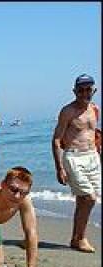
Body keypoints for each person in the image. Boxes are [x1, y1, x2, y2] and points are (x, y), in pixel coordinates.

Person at [52, 74, 101, 253]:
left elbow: (94, 135)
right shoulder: (68, 111)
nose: (84, 93)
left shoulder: (95, 109)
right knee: (89, 198)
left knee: (83, 200)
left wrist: (99, 156)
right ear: (74, 91)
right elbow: (57, 139)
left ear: (94, 90)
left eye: (88, 89)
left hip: (92, 156)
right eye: (80, 90)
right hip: (74, 156)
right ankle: (81, 238)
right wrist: (59, 168)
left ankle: (76, 238)